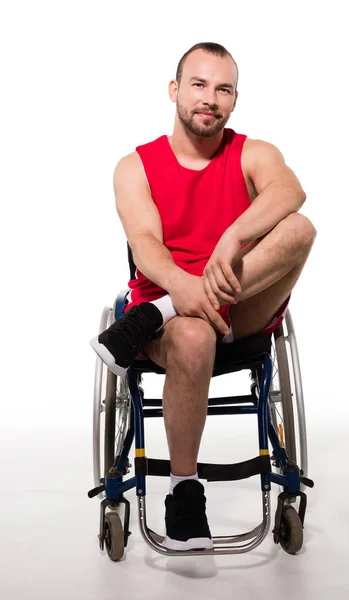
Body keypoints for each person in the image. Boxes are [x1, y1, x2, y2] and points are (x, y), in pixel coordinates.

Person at [90, 42, 317, 551]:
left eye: (223, 89)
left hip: (241, 302)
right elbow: (145, 244)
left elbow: (290, 192)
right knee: (192, 332)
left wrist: (233, 237)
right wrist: (180, 287)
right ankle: (184, 489)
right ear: (175, 90)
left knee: (299, 228)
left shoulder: (253, 153)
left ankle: (161, 312)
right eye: (198, 85)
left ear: (234, 100)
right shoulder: (136, 166)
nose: (209, 98)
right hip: (172, 320)